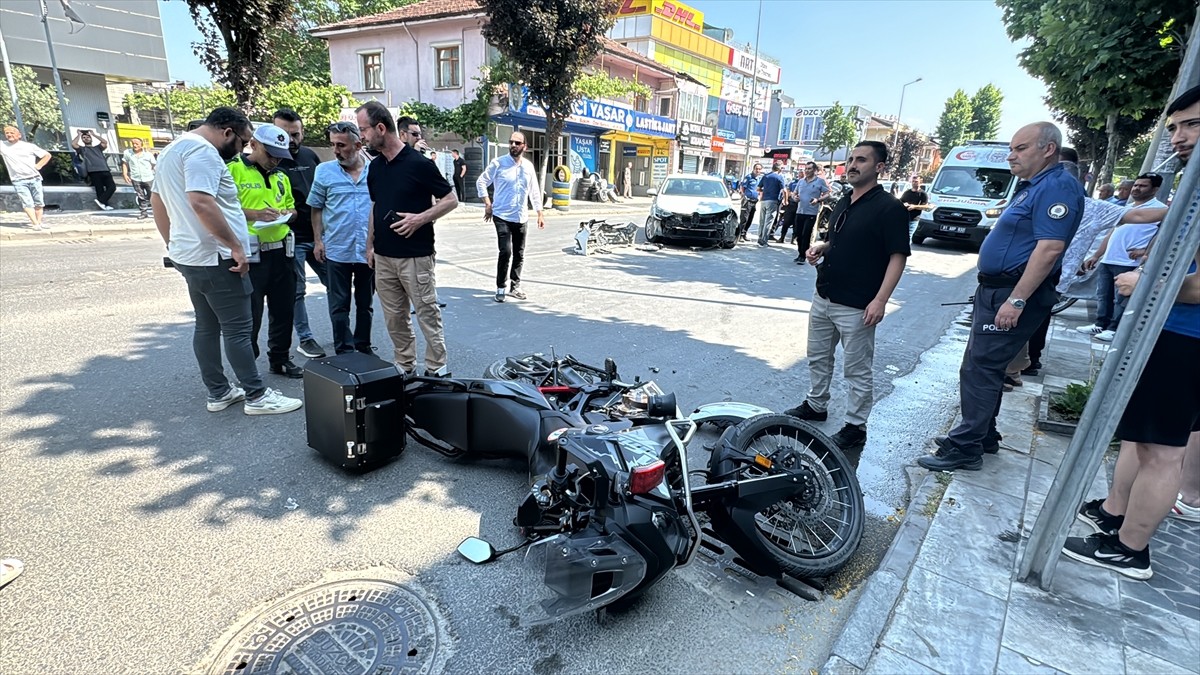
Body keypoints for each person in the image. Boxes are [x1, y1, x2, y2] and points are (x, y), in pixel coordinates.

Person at [1063, 86, 1200, 579]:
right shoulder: (1193, 185)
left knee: (1163, 451)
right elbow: (1154, 217)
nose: (1180, 138)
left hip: (1186, 336)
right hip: (1171, 332)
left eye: (1192, 125)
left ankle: (1131, 548)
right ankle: (1116, 515)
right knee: (1143, 441)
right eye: (1175, 128)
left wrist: (1147, 282)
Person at [919, 122, 1084, 472]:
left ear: (1048, 149)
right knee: (982, 365)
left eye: (1021, 148)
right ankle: (983, 434)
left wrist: (1018, 300)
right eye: (1012, 148)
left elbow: (1050, 247)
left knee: (981, 368)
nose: (1012, 155)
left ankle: (965, 447)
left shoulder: (1057, 187)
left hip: (1013, 293)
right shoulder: (1033, 186)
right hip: (997, 289)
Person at [150, 107, 302, 415]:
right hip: (216, 256)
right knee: (238, 328)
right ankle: (257, 396)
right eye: (244, 141)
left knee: (206, 326)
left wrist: (172, 244)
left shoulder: (172, 150)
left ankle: (218, 391)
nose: (244, 148)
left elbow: (158, 201)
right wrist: (235, 246)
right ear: (227, 133)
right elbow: (201, 202)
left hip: (192, 255)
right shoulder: (203, 153)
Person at [783, 141, 910, 451]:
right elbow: (839, 241)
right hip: (824, 295)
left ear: (879, 167)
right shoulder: (843, 200)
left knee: (856, 369)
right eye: (851, 159)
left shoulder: (890, 208)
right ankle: (816, 404)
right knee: (818, 357)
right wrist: (822, 248)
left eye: (862, 160)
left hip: (858, 304)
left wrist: (880, 300)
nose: (853, 164)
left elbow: (898, 256)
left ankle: (855, 426)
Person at [357, 103, 458, 377]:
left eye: (364, 129)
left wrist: (419, 219)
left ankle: (437, 368)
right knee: (394, 318)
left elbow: (451, 200)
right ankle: (405, 366)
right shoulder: (375, 167)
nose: (361, 136)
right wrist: (370, 246)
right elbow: (375, 207)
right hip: (384, 257)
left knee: (427, 313)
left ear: (380, 128)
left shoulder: (419, 164)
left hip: (416, 256)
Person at [227, 123, 304, 379]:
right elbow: (220, 210)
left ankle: (280, 358)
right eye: (270, 154)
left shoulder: (281, 177)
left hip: (282, 252)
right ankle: (247, 369)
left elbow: (293, 210)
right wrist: (255, 214)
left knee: (284, 310)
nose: (275, 160)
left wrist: (286, 214)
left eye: (280, 155)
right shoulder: (233, 170)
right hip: (251, 254)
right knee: (250, 315)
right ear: (254, 144)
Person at [1074, 172, 1166, 342]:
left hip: (1129, 261)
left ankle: (1115, 328)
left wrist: (1145, 251)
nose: (1137, 188)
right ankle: (1100, 323)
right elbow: (1112, 233)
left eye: (1143, 186)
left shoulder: (1159, 210)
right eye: (1136, 185)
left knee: (1121, 298)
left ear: (1155, 189)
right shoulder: (1127, 208)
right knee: (1103, 295)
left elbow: (1162, 236)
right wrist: (1096, 255)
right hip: (1110, 258)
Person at [310, 122, 373, 355]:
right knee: (339, 304)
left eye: (341, 145)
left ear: (358, 145)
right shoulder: (324, 171)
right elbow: (316, 207)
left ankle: (363, 346)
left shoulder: (375, 170)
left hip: (368, 250)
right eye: (333, 144)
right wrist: (318, 241)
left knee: (365, 304)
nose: (336, 151)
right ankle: (344, 350)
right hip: (336, 249)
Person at [271, 108, 329, 360]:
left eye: (295, 134)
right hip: (289, 237)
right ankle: (305, 338)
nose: (291, 141)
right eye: (284, 134)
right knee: (297, 291)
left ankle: (343, 333)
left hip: (317, 235)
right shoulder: (271, 159)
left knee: (335, 284)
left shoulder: (309, 156)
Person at [477, 131, 545, 303]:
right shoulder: (498, 163)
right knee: (505, 251)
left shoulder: (528, 167)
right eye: (511, 142)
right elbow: (481, 181)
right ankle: (501, 287)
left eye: (517, 143)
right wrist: (487, 203)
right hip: (501, 215)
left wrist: (539, 212)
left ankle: (515, 286)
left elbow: (534, 190)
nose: (513, 145)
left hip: (521, 216)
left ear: (524, 146)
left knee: (519, 253)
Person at [1, 125, 51, 230]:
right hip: (18, 180)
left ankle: (39, 222)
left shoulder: (29, 146)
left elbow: (47, 155)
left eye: (12, 133)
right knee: (27, 202)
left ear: (19, 135)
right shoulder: (3, 146)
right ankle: (35, 224)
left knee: (39, 202)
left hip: (34, 178)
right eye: (7, 133)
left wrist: (39, 165)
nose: (9, 135)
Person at [792, 162, 830, 263]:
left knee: (806, 234)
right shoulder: (801, 181)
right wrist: (794, 197)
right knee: (798, 234)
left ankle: (803, 255)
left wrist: (818, 200)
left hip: (811, 212)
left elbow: (827, 193)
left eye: (809, 169)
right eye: (806, 169)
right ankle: (800, 252)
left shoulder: (820, 181)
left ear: (814, 170)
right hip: (800, 211)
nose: (807, 171)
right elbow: (794, 193)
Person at [73, 129, 115, 210]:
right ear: (82, 140)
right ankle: (104, 205)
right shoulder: (82, 149)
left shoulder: (98, 148)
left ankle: (101, 201)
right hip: (93, 171)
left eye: (88, 137)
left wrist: (94, 134)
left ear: (91, 138)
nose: (86, 138)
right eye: (84, 137)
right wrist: (78, 134)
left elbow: (104, 142)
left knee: (112, 187)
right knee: (99, 189)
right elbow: (74, 144)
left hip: (105, 169)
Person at [120, 138, 156, 219]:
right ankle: (143, 212)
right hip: (136, 178)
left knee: (152, 195)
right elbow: (125, 163)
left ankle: (156, 212)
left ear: (141, 145)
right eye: (133, 143)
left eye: (137, 144)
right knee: (140, 196)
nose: (135, 145)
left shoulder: (148, 154)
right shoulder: (128, 153)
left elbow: (154, 165)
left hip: (148, 178)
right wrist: (125, 174)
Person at [756, 161, 785, 246]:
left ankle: (759, 237)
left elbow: (758, 188)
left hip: (764, 200)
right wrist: (785, 200)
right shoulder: (779, 177)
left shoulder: (765, 176)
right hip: (773, 201)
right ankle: (764, 240)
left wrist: (765, 192)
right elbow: (784, 190)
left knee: (762, 220)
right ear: (779, 169)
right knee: (768, 221)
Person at [737, 163, 763, 241]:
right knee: (744, 218)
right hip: (747, 201)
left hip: (754, 201)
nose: (757, 170)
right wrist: (744, 195)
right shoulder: (749, 177)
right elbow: (742, 187)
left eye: (759, 169)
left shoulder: (759, 179)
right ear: (753, 169)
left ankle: (745, 233)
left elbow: (760, 189)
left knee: (750, 219)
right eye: (756, 169)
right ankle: (740, 235)